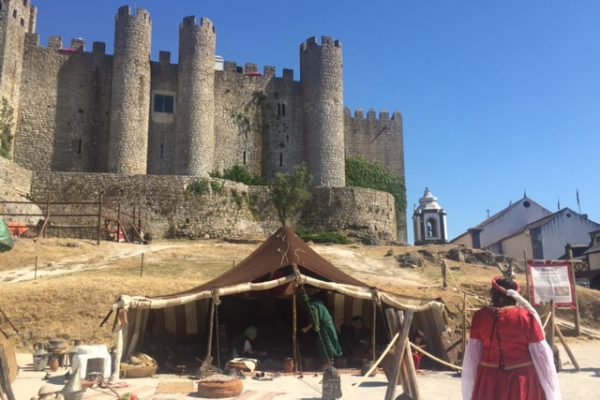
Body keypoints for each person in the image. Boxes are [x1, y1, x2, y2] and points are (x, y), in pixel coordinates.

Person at [461, 276, 560, 400]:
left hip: (488, 381)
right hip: (521, 381)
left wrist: (472, 385)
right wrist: (549, 388)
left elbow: (472, 355)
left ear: (493, 293)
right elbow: (542, 356)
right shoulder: (526, 317)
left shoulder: (480, 316)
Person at [301, 291, 342, 370]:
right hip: (327, 325)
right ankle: (327, 362)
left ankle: (328, 363)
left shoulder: (312, 305)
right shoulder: (318, 302)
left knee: (326, 343)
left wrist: (307, 329)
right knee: (323, 343)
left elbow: (314, 319)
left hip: (325, 326)